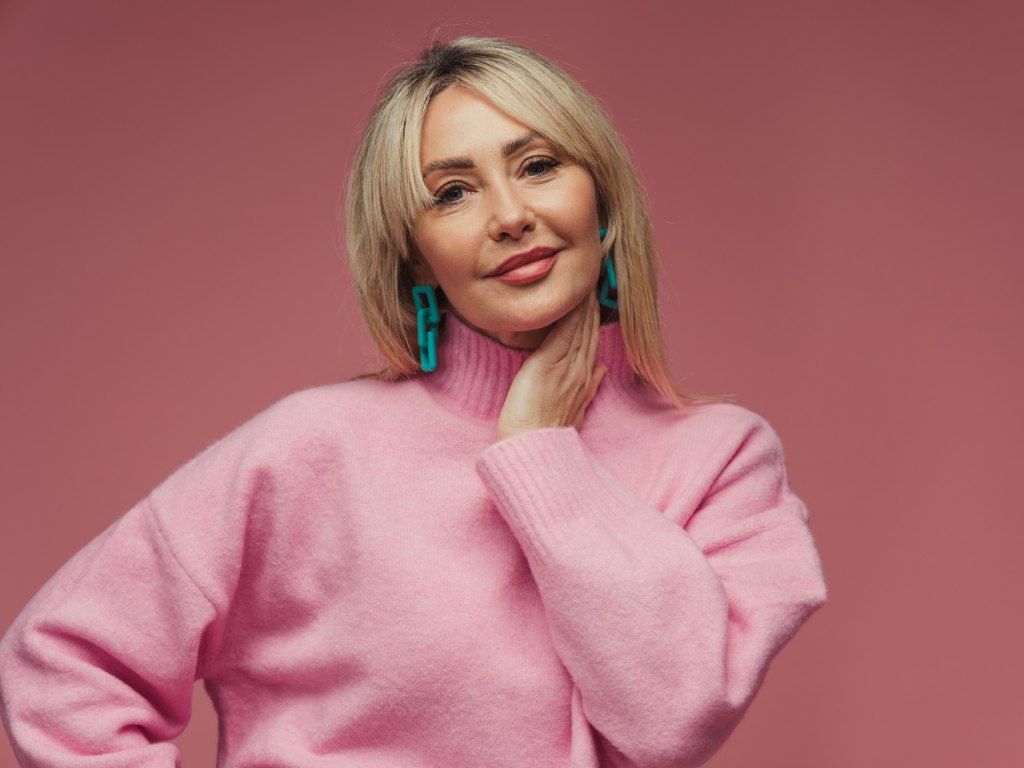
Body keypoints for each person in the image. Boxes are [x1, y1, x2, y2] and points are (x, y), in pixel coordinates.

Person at [0, 36, 826, 767]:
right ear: (415, 257)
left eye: (538, 166)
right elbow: (63, 664)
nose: (510, 216)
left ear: (603, 203)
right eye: (452, 193)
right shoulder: (311, 449)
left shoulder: (722, 459)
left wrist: (538, 448)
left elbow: (671, 723)